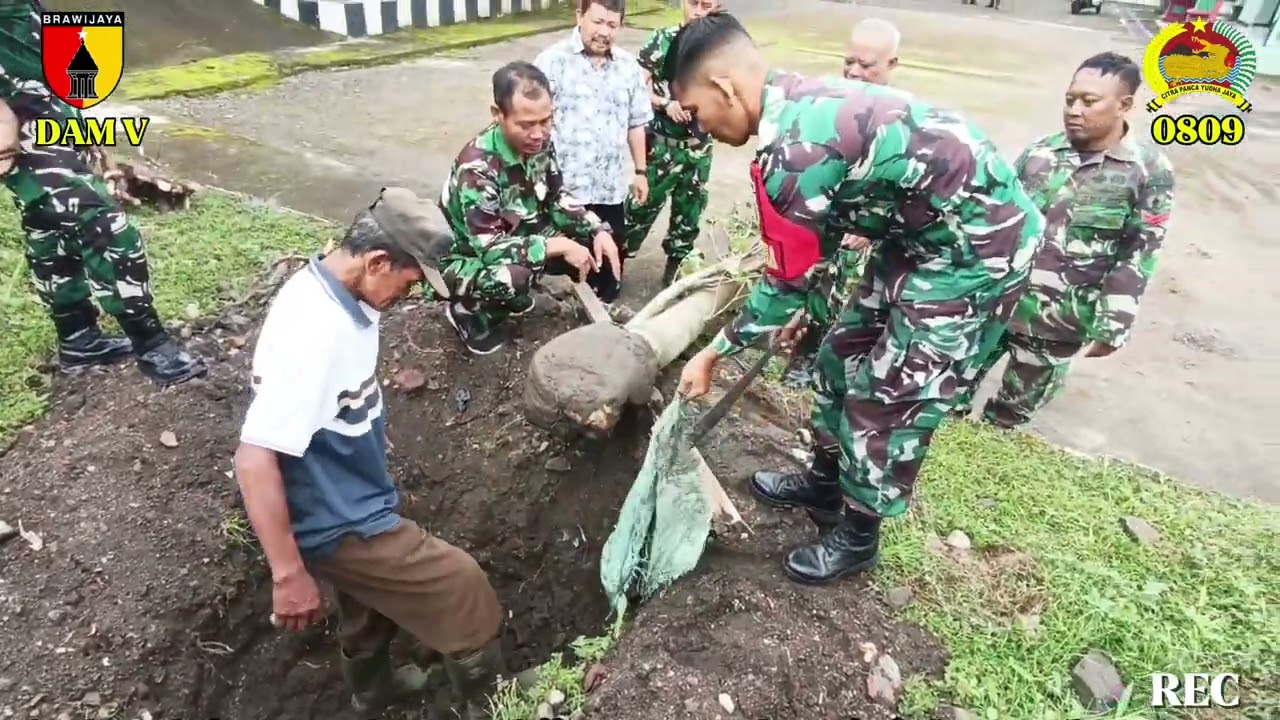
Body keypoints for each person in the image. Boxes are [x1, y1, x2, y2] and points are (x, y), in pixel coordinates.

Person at [670, 12, 1044, 585]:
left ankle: (858, 535)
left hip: (976, 250)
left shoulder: (796, 150)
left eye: (696, 112)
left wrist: (713, 352)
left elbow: (784, 280)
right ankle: (824, 483)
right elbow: (812, 250)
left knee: (889, 393)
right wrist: (805, 306)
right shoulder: (795, 104)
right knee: (839, 357)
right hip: (918, 236)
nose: (700, 129)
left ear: (724, 87)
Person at [233, 188, 503, 720]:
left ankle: (372, 692)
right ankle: (490, 703)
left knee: (370, 598)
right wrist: (288, 574)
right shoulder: (314, 333)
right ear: (378, 261)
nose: (411, 294)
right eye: (410, 282)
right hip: (334, 517)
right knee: (461, 584)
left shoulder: (339, 291)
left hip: (350, 487)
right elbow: (253, 457)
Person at [953, 52, 1175, 427]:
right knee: (947, 393)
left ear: (1124, 105)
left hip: (1060, 320)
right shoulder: (1041, 153)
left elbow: (1140, 251)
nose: (1074, 110)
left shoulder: (1148, 171)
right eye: (1070, 99)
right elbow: (999, 218)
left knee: (1008, 417)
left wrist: (1114, 322)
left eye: (1089, 101)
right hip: (996, 305)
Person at [0, 2, 205, 385]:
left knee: (48, 223)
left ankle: (78, 337)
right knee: (102, 222)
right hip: (17, 126)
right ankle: (151, 344)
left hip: (46, 114)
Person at [438, 61, 620, 355]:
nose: (539, 133)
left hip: (513, 230)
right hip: (465, 256)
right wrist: (556, 245)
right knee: (514, 277)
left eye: (546, 121)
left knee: (588, 241)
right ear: (498, 114)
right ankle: (468, 312)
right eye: (526, 124)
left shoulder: (538, 144)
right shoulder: (477, 169)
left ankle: (515, 293)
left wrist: (597, 228)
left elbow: (556, 196)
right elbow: (489, 248)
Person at [784, 16, 905, 389]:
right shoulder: (831, 101)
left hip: (864, 231)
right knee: (801, 280)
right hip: (823, 218)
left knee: (839, 296)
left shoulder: (902, 119)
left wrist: (872, 228)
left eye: (866, 65)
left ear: (892, 64)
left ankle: (814, 357)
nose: (853, 72)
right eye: (848, 62)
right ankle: (792, 340)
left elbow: (907, 189)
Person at [534, 0, 650, 303]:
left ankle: (604, 311)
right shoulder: (551, 62)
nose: (604, 32)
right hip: (564, 192)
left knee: (608, 277)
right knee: (560, 279)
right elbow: (532, 120)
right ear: (579, 16)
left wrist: (640, 171)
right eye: (597, 22)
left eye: (612, 25)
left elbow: (636, 122)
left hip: (609, 191)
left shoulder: (628, 67)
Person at [622, 0, 719, 288]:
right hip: (663, 146)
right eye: (693, 3)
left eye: (707, 5)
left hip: (699, 147)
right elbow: (635, 86)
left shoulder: (721, 48)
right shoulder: (663, 40)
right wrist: (665, 104)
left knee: (690, 209)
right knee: (641, 206)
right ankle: (613, 258)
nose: (699, 11)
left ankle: (677, 263)